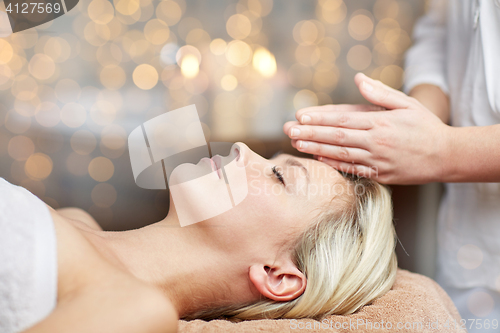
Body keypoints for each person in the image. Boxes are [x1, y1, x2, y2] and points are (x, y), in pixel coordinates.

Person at [0, 142, 397, 333]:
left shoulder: (137, 311)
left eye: (279, 177)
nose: (243, 149)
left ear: (277, 275)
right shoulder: (75, 219)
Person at [284, 0, 500, 329]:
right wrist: (412, 122)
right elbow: (442, 31)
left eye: (279, 177)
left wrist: (444, 150)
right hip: (471, 255)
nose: (240, 150)